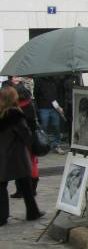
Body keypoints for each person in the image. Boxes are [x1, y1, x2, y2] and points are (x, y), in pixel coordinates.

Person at [0, 86, 44, 224]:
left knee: (2, 186)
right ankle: (32, 212)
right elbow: (26, 136)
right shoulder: (16, 115)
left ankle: (2, 216)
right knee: (25, 184)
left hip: (2, 155)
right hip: (16, 155)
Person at [34, 75, 64, 154]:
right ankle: (44, 145)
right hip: (43, 107)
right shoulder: (39, 80)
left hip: (55, 108)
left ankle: (56, 145)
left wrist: (60, 106)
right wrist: (38, 107)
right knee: (44, 127)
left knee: (56, 126)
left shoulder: (55, 80)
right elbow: (36, 94)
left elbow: (59, 94)